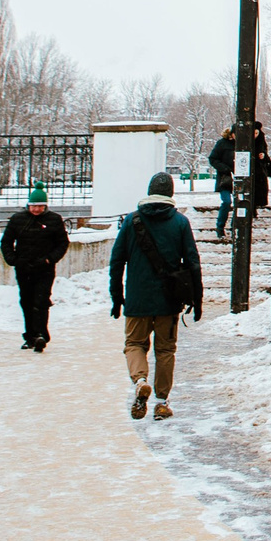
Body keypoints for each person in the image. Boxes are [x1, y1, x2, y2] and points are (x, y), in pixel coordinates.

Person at [109, 172, 201, 421]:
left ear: (150, 191)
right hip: (168, 300)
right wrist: (197, 299)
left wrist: (116, 295)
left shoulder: (132, 221)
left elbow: (117, 260)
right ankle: (161, 402)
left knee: (134, 344)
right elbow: (192, 262)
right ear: (170, 193)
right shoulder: (180, 222)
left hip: (137, 298)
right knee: (165, 350)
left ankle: (140, 381)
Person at [0, 182, 70, 351]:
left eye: (40, 206)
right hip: (24, 268)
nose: (36, 209)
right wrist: (13, 259)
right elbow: (6, 242)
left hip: (44, 268)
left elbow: (62, 243)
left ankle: (41, 335)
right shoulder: (18, 219)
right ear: (28, 205)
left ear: (45, 206)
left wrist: (50, 259)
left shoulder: (54, 219)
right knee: (27, 301)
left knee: (41, 300)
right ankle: (30, 336)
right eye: (33, 206)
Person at [207, 127, 238, 240]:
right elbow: (213, 159)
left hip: (237, 178)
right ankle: (220, 227)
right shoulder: (222, 143)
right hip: (225, 178)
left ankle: (234, 226)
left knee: (239, 203)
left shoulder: (243, 144)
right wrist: (224, 168)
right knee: (226, 202)